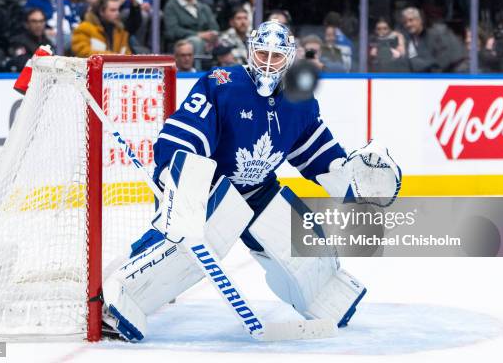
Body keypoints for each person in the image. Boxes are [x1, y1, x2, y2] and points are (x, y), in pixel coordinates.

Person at [100, 20, 401, 342]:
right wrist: (179, 171)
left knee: (303, 250)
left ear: (290, 58)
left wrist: (349, 177)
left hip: (259, 190)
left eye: (276, 56)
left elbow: (318, 155)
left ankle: (325, 295)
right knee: (181, 252)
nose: (268, 63)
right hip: (211, 188)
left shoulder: (301, 101)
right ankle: (121, 295)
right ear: (249, 52)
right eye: (262, 54)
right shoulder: (222, 84)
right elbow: (186, 132)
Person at [163, 0, 219, 69]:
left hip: (206, 42)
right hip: (180, 42)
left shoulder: (203, 6)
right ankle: (196, 72)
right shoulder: (171, 5)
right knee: (196, 41)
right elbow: (172, 30)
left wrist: (212, 37)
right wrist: (198, 35)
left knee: (225, 41)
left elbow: (214, 27)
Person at [400, 7, 468, 73]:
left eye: (411, 20)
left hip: (455, 75)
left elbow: (443, 60)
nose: (408, 24)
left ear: (420, 20)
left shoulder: (437, 33)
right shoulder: (408, 39)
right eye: (405, 22)